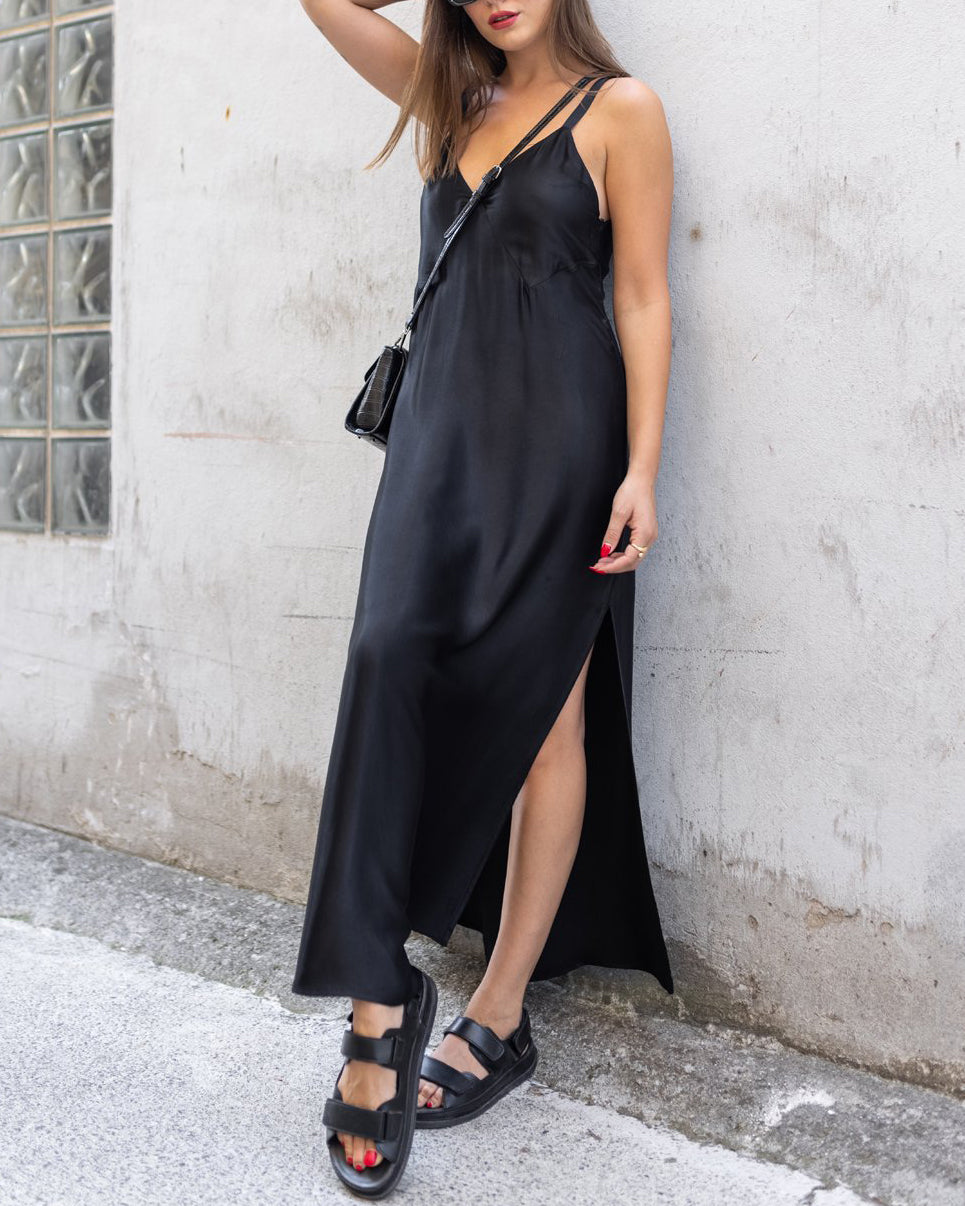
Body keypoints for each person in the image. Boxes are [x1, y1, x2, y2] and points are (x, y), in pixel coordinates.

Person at [292, 0, 675, 1195]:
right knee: (384, 662)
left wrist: (641, 469)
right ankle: (378, 996)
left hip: (560, 454)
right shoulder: (447, 98)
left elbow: (641, 295)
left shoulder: (620, 112)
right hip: (435, 449)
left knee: (545, 720)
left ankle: (496, 1015)